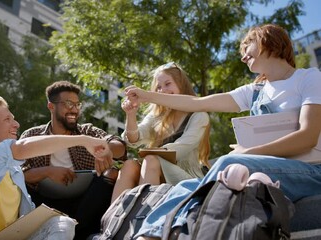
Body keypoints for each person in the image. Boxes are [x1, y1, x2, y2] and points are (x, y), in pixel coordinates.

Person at [124, 24, 321, 240]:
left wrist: (248, 152)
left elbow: (308, 137)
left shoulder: (309, 78)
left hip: (309, 172)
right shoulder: (254, 92)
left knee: (228, 163)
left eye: (248, 47)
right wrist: (147, 96)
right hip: (265, 168)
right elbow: (198, 103)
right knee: (184, 187)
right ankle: (148, 236)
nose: (243, 57)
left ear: (268, 40)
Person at [0, 96, 112, 240]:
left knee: (61, 223)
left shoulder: (13, 171)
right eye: (7, 119)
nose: (16, 124)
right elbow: (22, 148)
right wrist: (84, 140)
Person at [20, 81, 127, 240]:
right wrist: (48, 172)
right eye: (69, 104)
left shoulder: (87, 131)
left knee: (112, 174)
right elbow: (19, 173)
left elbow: (121, 147)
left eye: (78, 105)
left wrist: (106, 147)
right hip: (44, 204)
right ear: (51, 106)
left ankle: (86, 233)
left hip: (86, 203)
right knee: (20, 187)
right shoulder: (32, 135)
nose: (75, 110)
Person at [111, 63, 210, 202]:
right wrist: (131, 115)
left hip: (188, 180)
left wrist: (151, 153)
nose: (162, 90)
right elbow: (133, 140)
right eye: (158, 87)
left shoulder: (199, 116)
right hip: (156, 171)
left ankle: (144, 216)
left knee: (151, 160)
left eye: (168, 84)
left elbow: (181, 148)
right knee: (129, 166)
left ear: (181, 85)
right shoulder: (157, 115)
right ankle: (112, 220)